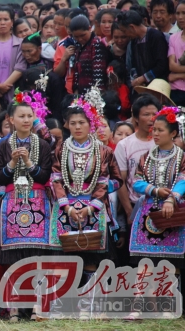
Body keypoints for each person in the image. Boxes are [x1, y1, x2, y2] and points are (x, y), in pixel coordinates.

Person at [50, 104, 123, 319]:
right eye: (73, 123)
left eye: (81, 122)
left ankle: (90, 306)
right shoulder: (61, 148)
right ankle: (65, 306)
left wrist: (92, 205)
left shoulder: (103, 151)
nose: (77, 126)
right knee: (67, 257)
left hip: (95, 208)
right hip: (66, 209)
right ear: (67, 125)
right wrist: (67, 205)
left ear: (90, 124)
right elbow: (56, 177)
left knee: (91, 256)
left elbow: (114, 180)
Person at [0, 93, 53, 324]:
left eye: (30, 115)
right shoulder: (3, 146)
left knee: (38, 255)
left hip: (37, 200)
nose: (26, 120)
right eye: (21, 116)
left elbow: (46, 175)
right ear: (11, 119)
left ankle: (38, 305)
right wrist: (11, 163)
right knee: (13, 257)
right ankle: (14, 308)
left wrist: (28, 162)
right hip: (12, 202)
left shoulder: (44, 145)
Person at [127, 107, 185, 319]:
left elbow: (183, 180)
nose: (156, 134)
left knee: (172, 261)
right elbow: (137, 182)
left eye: (161, 130)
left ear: (173, 133)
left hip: (173, 213)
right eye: (154, 129)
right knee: (145, 260)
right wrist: (154, 190)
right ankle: (139, 305)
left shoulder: (182, 157)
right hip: (148, 213)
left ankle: (168, 305)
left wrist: (171, 198)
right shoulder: (146, 157)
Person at [114, 94, 159, 231]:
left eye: (155, 114)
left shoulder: (164, 142)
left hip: (162, 203)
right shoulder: (124, 145)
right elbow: (120, 180)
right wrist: (129, 211)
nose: (152, 118)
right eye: (146, 114)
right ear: (136, 118)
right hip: (136, 205)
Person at [116, 10, 169, 92]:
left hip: (158, 86)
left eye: (124, 31)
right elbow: (133, 65)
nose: (125, 34)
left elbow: (162, 65)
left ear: (132, 27)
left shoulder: (155, 36)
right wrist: (136, 79)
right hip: (142, 87)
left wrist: (143, 78)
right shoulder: (134, 41)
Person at [70, 15, 108, 94]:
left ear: (90, 29)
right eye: (76, 37)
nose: (80, 39)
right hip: (81, 93)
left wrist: (95, 96)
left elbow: (99, 75)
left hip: (93, 95)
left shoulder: (96, 45)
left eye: (83, 35)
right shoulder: (77, 46)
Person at [168, 0, 185, 106]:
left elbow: (174, 71)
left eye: (184, 13)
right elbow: (172, 66)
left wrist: (177, 75)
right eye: (178, 13)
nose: (180, 17)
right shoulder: (173, 38)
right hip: (176, 91)